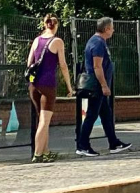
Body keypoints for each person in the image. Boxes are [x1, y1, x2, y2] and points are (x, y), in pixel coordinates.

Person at [76, 16, 132, 157]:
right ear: (107, 29)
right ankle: (82, 145)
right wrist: (104, 85)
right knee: (91, 115)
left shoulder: (97, 41)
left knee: (106, 115)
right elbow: (97, 66)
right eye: (112, 28)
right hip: (97, 86)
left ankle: (114, 143)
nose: (113, 30)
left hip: (98, 86)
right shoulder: (98, 43)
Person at [26, 14, 74, 163]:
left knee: (42, 119)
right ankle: (38, 154)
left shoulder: (36, 40)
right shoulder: (58, 41)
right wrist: (69, 86)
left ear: (44, 24)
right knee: (44, 122)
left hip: (34, 85)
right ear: (56, 25)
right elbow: (63, 66)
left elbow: (29, 62)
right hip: (48, 85)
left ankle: (45, 151)